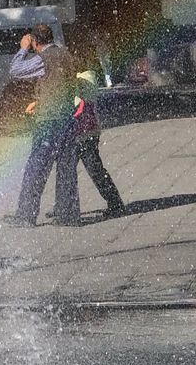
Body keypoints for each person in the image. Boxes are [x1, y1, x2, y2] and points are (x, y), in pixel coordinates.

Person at [8, 24, 80, 227]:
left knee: (36, 168)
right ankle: (68, 215)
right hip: (67, 117)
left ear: (35, 42)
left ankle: (25, 216)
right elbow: (59, 83)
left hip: (48, 120)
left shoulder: (42, 58)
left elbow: (15, 70)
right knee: (66, 169)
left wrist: (23, 48)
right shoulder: (66, 55)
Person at [72, 70, 125, 217]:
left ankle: (115, 203)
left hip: (86, 133)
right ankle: (63, 206)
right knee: (67, 171)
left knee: (95, 170)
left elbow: (81, 104)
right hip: (78, 133)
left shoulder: (87, 76)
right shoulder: (76, 77)